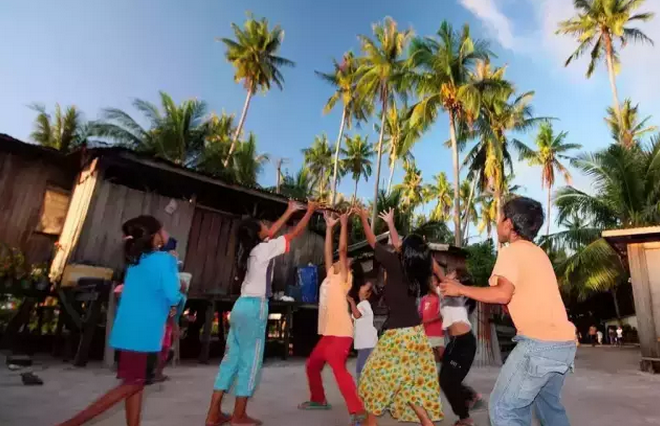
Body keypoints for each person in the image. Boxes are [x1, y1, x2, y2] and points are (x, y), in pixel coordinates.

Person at [440, 197, 576, 426]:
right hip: (564, 345)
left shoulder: (511, 251)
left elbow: (503, 293)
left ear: (509, 224)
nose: (497, 221)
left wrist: (460, 288)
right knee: (549, 408)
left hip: (538, 345)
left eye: (500, 216)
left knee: (504, 410)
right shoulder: (538, 254)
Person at [56, 216, 182, 426]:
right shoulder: (164, 260)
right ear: (155, 237)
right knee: (133, 384)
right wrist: (174, 267)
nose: (166, 232)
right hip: (145, 333)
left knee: (134, 382)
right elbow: (173, 295)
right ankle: (71, 423)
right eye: (163, 229)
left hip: (126, 331)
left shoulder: (134, 263)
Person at [205, 200, 317, 426]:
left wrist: (290, 210)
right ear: (258, 233)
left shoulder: (249, 251)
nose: (268, 227)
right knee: (251, 362)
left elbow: (273, 231)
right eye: (263, 226)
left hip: (240, 307)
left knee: (230, 362)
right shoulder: (264, 249)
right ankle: (239, 416)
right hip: (255, 308)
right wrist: (311, 211)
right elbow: (294, 233)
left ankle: (213, 414)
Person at [356, 207, 443, 426]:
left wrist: (364, 218)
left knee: (374, 378)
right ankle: (426, 421)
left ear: (405, 252)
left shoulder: (394, 264)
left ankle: (370, 423)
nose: (398, 243)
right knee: (407, 383)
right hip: (415, 334)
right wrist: (391, 224)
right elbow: (398, 245)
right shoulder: (417, 272)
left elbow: (372, 241)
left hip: (398, 336)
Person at [298, 211, 366, 426]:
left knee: (339, 370)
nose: (338, 260)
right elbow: (329, 252)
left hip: (341, 333)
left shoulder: (345, 279)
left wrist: (344, 224)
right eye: (337, 260)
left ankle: (358, 412)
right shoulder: (331, 275)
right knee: (311, 366)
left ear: (349, 268)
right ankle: (319, 399)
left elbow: (342, 250)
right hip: (328, 334)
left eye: (343, 260)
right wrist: (329, 227)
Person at [434, 269, 481, 426]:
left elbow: (435, 274)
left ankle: (465, 418)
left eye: (451, 274)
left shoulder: (457, 293)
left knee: (449, 382)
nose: (446, 276)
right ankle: (469, 396)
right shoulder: (444, 292)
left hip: (464, 344)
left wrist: (430, 263)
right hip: (454, 343)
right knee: (445, 380)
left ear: (458, 281)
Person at [348, 276, 377, 382]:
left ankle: (364, 392)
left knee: (362, 370)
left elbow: (357, 315)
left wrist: (351, 301)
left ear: (368, 294)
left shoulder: (364, 304)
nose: (362, 286)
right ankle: (364, 391)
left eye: (366, 286)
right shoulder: (361, 305)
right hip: (364, 343)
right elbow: (351, 320)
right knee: (361, 369)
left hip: (367, 343)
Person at [419, 274, 444, 366]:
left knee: (439, 355)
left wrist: (428, 321)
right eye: (430, 281)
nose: (432, 283)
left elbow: (441, 314)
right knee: (429, 356)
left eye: (434, 280)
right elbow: (421, 314)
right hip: (426, 332)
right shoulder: (424, 299)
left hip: (437, 331)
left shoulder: (439, 297)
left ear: (437, 282)